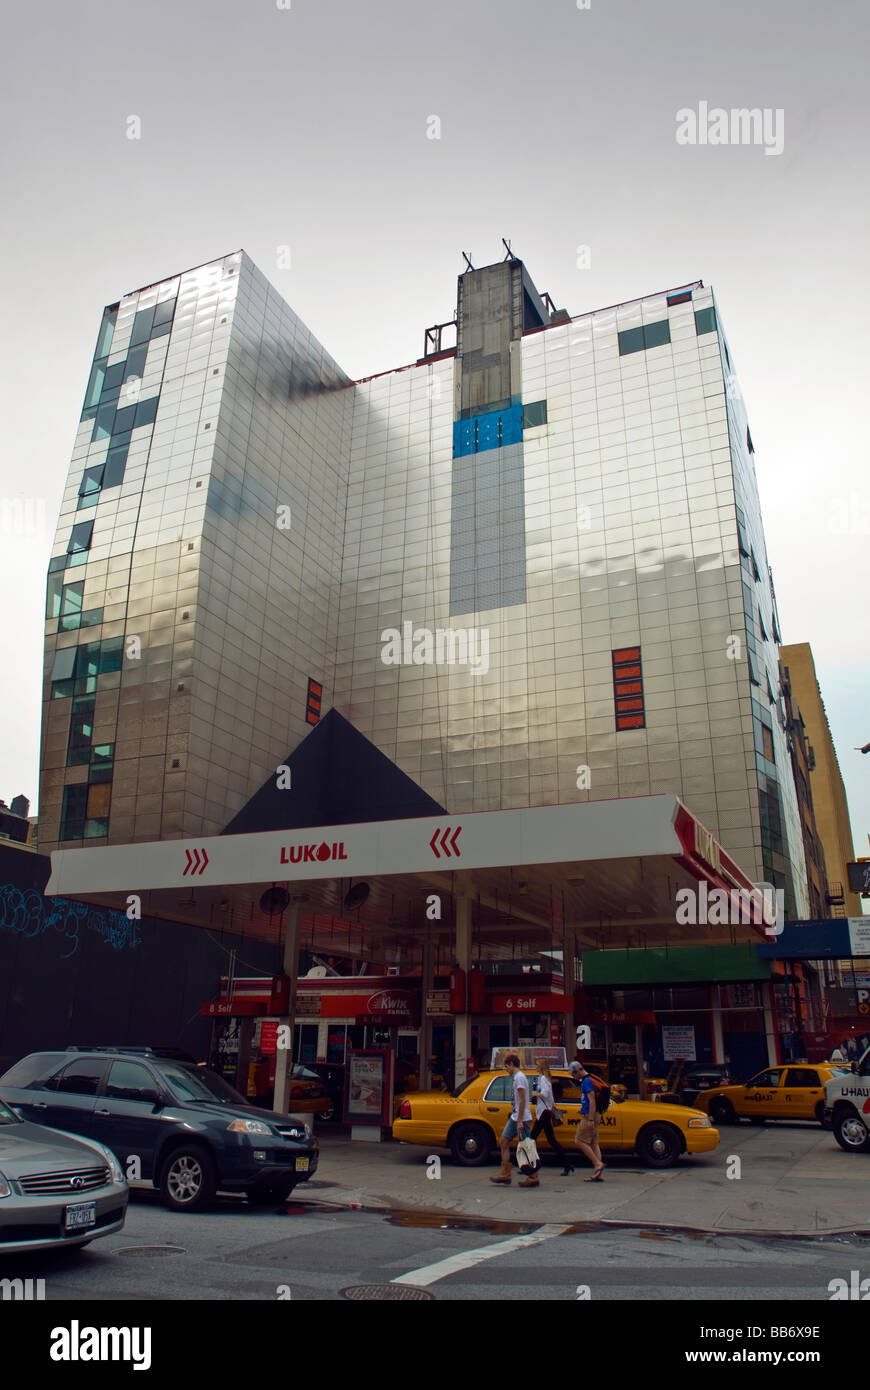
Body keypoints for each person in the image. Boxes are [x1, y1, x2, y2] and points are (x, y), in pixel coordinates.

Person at [490, 1053, 537, 1187]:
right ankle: (505, 1174)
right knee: (503, 1141)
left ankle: (533, 1176)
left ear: (511, 1064)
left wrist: (520, 1120)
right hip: (516, 1116)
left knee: (526, 1146)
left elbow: (523, 1100)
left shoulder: (520, 1078)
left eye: (506, 1067)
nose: (506, 1070)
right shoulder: (517, 1078)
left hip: (521, 1117)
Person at [532, 1058, 573, 1175]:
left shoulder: (543, 1079)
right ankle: (567, 1164)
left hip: (543, 1112)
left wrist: (536, 1094)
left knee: (532, 1138)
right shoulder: (543, 1078)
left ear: (541, 1066)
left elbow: (545, 1094)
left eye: (536, 1064)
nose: (535, 1066)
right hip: (544, 1111)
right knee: (550, 1140)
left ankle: (530, 1164)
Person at [570, 1060, 604, 1181]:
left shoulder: (586, 1081)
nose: (574, 1077)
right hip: (593, 1113)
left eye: (574, 1074)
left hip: (591, 1115)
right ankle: (598, 1172)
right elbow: (589, 1101)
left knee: (579, 1140)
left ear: (578, 1071)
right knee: (594, 1142)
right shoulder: (589, 1079)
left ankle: (597, 1164)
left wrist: (590, 1118)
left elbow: (592, 1100)